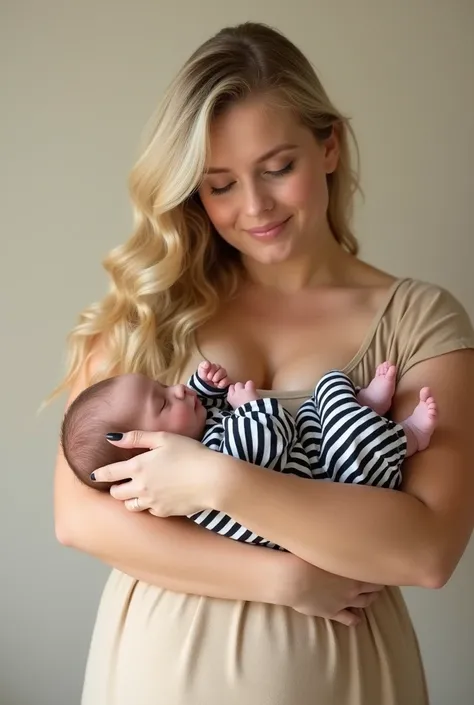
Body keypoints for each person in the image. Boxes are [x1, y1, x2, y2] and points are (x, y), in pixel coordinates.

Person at [51, 21, 474, 705]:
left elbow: (425, 550)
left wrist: (215, 477)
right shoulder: (153, 306)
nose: (255, 207)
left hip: (348, 678)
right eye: (219, 185)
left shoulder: (419, 318)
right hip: (158, 674)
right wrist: (282, 580)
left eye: (278, 168)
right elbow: (80, 518)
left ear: (329, 145)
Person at [61, 359, 437, 551]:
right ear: (148, 452)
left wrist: (204, 387)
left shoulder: (196, 441)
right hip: (342, 476)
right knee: (349, 430)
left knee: (327, 385)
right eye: (162, 401)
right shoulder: (200, 481)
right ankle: (411, 434)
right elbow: (271, 437)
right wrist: (249, 407)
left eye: (163, 385)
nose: (176, 388)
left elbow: (199, 414)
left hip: (315, 450)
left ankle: (367, 403)